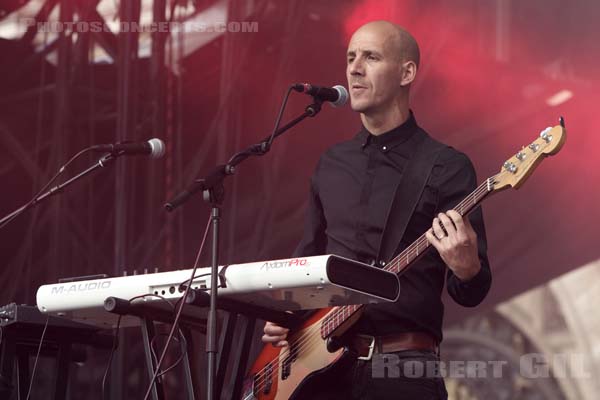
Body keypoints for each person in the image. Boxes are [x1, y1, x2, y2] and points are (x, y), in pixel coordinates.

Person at [262, 20, 491, 399]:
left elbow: (471, 291)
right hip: (320, 370)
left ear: (407, 72)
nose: (354, 68)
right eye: (351, 57)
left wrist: (467, 268)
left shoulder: (446, 166)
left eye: (370, 57)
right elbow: (307, 259)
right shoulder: (332, 163)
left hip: (401, 368)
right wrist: (286, 317)